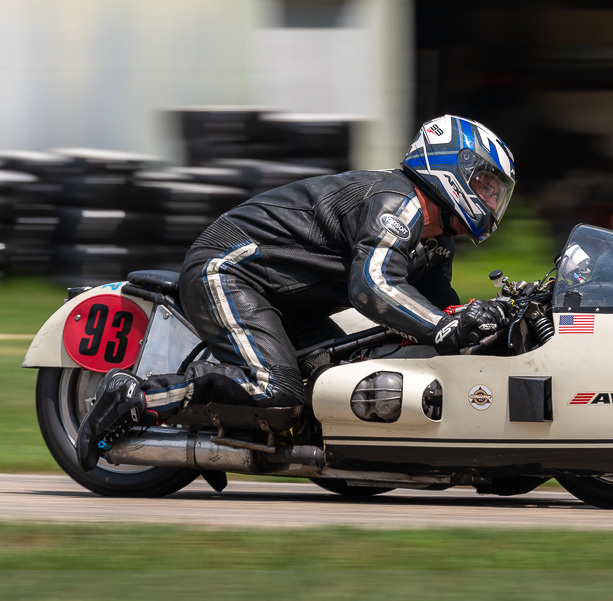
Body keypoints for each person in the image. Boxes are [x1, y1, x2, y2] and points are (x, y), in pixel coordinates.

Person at [76, 115, 517, 471]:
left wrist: (480, 322)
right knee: (277, 389)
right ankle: (137, 398)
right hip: (232, 270)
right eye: (485, 185)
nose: (491, 199)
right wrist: (443, 327)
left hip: (290, 298)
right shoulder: (397, 201)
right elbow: (374, 287)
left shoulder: (436, 237)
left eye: (495, 192)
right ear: (449, 167)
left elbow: (437, 300)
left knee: (333, 377)